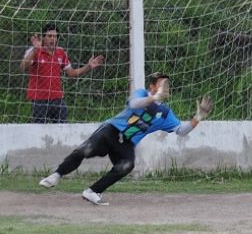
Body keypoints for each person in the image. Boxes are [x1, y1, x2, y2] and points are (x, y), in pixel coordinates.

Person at [39, 72, 214, 205]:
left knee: (127, 165)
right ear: (152, 86)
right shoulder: (140, 93)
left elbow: (181, 131)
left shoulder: (165, 113)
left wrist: (198, 117)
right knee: (84, 150)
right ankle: (57, 175)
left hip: (127, 142)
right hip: (111, 131)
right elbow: (133, 104)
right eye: (162, 83)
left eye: (167, 84)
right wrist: (153, 98)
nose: (166, 87)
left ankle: (93, 191)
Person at [20, 23, 105, 123]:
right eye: (49, 36)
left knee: (62, 128)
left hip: (57, 98)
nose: (53, 39)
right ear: (43, 37)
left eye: (55, 36)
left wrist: (88, 66)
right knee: (39, 131)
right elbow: (23, 67)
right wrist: (35, 49)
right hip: (39, 99)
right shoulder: (34, 51)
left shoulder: (60, 52)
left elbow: (71, 73)